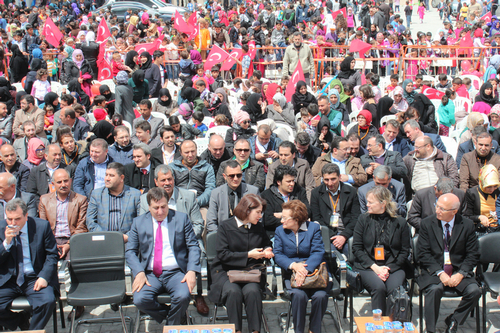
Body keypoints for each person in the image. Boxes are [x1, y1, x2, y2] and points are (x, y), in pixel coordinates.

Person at [126, 187, 201, 325]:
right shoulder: (139, 222)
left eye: (163, 207)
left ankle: (171, 327)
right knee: (139, 299)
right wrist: (139, 272)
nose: (160, 212)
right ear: (149, 207)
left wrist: (191, 270)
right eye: (156, 208)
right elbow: (130, 251)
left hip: (176, 272)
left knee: (183, 296)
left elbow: (193, 247)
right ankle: (174, 318)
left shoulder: (181, 219)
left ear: (168, 204)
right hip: (150, 274)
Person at [207, 194, 273, 333]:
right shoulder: (226, 226)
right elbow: (223, 255)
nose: (260, 216)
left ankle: (255, 330)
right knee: (233, 292)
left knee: (253, 292)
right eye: (258, 212)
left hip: (251, 272)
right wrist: (249, 254)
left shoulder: (258, 227)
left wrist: (268, 250)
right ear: (247, 210)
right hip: (226, 272)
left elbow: (267, 243)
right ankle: (236, 330)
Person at [417, 193, 481, 333]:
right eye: (437, 206)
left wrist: (462, 274)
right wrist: (440, 273)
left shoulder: (467, 225)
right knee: (434, 290)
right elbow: (423, 253)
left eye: (442, 209)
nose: (437, 211)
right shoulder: (427, 223)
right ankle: (431, 330)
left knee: (475, 291)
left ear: (454, 211)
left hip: (458, 270)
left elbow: (473, 254)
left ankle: (454, 319)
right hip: (434, 271)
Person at [0, 199, 58, 331]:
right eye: (9, 219)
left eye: (17, 219)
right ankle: (19, 320)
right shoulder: (1, 229)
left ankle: (32, 330)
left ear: (26, 216)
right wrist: (6, 244)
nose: (13, 223)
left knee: (47, 301)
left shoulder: (41, 226)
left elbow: (52, 255)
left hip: (34, 277)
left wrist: (44, 276)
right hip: (9, 279)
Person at [274, 200, 330, 333]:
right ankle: (299, 330)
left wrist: (304, 269)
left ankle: (314, 329)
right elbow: (278, 254)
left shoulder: (314, 228)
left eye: (285, 218)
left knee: (320, 296)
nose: (282, 221)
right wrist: (294, 266)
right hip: (292, 271)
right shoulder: (279, 231)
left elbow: (318, 252)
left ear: (297, 219)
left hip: (314, 271)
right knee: (299, 296)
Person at [353, 186, 410, 314]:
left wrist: (387, 268)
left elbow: (404, 251)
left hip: (393, 265)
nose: (367, 205)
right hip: (368, 265)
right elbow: (357, 248)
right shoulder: (363, 219)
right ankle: (379, 324)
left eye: (370, 202)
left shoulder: (400, 222)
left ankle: (393, 322)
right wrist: (376, 268)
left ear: (383, 203)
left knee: (394, 288)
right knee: (378, 287)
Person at [38, 169, 88, 261]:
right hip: (51, 240)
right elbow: (43, 225)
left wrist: (69, 245)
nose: (63, 185)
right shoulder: (44, 200)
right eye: (59, 182)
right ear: (53, 184)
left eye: (66, 181)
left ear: (70, 181)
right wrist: (52, 244)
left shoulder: (81, 200)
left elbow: (82, 226)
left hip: (73, 240)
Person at [310, 163, 361, 252]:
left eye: (333, 179)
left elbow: (355, 217)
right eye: (326, 180)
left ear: (340, 177)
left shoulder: (351, 192)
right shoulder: (316, 193)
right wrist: (332, 236)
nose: (330, 183)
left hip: (346, 231)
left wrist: (344, 236)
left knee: (350, 252)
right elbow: (316, 218)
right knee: (330, 254)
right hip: (327, 233)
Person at [86, 162, 141, 239]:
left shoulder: (135, 194)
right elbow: (90, 220)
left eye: (111, 176)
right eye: (106, 175)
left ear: (121, 178)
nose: (107, 178)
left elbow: (140, 221)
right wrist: (105, 236)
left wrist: (127, 236)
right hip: (103, 241)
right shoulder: (97, 194)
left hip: (127, 241)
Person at [207, 160, 260, 233]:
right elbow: (211, 222)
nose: (236, 179)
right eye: (232, 176)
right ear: (224, 176)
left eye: (238, 175)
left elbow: (259, 218)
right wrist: (221, 236)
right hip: (224, 234)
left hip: (247, 233)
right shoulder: (216, 193)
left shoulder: (253, 191)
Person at [261, 165, 310, 234]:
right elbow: (268, 220)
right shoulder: (266, 195)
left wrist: (283, 215)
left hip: (299, 232)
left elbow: (307, 212)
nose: (292, 184)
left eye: (293, 180)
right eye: (288, 181)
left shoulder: (300, 191)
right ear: (279, 182)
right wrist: (296, 218)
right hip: (276, 233)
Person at [170, 140, 216, 209]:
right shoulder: (173, 167)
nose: (190, 155)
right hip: (178, 203)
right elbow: (170, 187)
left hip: (200, 205)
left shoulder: (207, 167)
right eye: (187, 152)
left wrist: (197, 201)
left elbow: (210, 189)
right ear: (181, 152)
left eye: (193, 151)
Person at [463, 164, 500, 234]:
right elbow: (466, 217)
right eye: (489, 187)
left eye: (495, 186)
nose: (492, 190)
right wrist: (479, 217)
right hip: (482, 230)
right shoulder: (472, 193)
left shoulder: (498, 191)